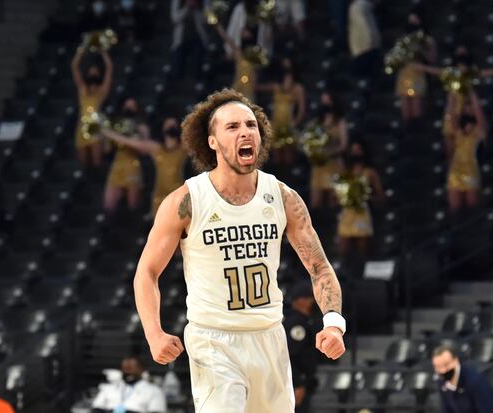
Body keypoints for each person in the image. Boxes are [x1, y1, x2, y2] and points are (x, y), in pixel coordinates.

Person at [133, 88, 346, 413]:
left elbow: (319, 267)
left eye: (251, 125)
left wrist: (333, 322)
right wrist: (154, 333)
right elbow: (146, 272)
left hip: (269, 336)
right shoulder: (186, 201)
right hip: (214, 339)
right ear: (212, 141)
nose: (245, 131)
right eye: (232, 127)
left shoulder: (283, 197)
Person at [101, 117, 188, 216]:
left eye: (173, 124)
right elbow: (131, 142)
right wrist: (109, 133)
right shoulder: (155, 147)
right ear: (162, 128)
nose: (171, 126)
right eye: (168, 124)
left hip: (178, 193)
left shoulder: (183, 148)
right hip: (159, 195)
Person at [337, 141, 384, 261]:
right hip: (347, 212)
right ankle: (344, 273)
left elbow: (381, 196)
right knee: (343, 248)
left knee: (362, 249)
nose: (356, 153)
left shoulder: (370, 172)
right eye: (353, 150)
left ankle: (361, 272)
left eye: (359, 150)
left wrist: (366, 197)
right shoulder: (345, 173)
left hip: (363, 212)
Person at [444, 90, 487, 214]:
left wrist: (473, 95)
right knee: (454, 207)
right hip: (455, 169)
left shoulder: (479, 131)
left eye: (471, 108)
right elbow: (452, 113)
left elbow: (480, 116)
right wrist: (454, 93)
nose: (469, 109)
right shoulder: (457, 130)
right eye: (466, 107)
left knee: (472, 206)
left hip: (471, 169)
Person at [103, 97, 147, 213]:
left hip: (133, 166)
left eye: (132, 106)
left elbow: (144, 150)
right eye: (127, 106)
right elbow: (107, 150)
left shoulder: (142, 127)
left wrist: (126, 138)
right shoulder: (117, 125)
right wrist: (106, 137)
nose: (129, 108)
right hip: (117, 165)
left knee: (133, 206)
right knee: (108, 205)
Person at [258, 59, 306, 166]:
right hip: (276, 123)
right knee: (276, 154)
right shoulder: (276, 86)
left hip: (288, 123)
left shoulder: (298, 88)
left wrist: (296, 122)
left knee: (288, 154)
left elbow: (302, 108)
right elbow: (259, 88)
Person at [431, 344, 493, 413]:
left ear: (456, 360)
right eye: (438, 367)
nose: (443, 370)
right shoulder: (442, 383)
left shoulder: (474, 381)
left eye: (446, 365)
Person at [71, 47, 113, 168]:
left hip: (95, 125)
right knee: (83, 161)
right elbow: (74, 66)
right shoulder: (83, 90)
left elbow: (109, 68)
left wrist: (103, 52)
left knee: (97, 161)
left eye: (96, 73)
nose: (93, 74)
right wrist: (80, 51)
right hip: (81, 126)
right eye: (91, 72)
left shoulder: (101, 91)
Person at [283, 282, 319, 413]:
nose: (312, 301)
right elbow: (290, 355)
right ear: (300, 300)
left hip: (302, 381)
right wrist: (297, 383)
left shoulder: (303, 320)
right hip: (295, 382)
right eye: (308, 298)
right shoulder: (297, 323)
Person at [395, 12, 437, 123]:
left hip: (418, 75)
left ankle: (417, 132)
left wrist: (421, 49)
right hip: (405, 74)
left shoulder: (427, 40)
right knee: (405, 110)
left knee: (417, 109)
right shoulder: (402, 40)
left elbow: (432, 58)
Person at [309, 92, 348, 209]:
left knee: (334, 202)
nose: (325, 104)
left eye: (328, 101)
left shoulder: (340, 122)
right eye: (323, 101)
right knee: (316, 202)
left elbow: (344, 145)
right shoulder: (317, 122)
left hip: (334, 164)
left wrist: (328, 153)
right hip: (319, 166)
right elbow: (309, 139)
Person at [91, 356, 167, 413]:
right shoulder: (109, 388)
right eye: (125, 368)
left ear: (141, 369)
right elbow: (96, 409)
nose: (127, 371)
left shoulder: (154, 391)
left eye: (131, 368)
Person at [215, 23, 261, 102]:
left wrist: (254, 86)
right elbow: (228, 40)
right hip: (237, 89)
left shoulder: (255, 55)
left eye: (245, 32)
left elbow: (255, 74)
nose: (243, 34)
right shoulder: (239, 53)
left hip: (248, 92)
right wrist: (218, 26)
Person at [170, 0, 208, 80]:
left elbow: (207, 19)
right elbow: (175, 18)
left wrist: (195, 7)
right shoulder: (177, 1)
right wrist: (187, 7)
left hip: (198, 39)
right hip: (181, 39)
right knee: (177, 69)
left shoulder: (204, 2)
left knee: (197, 68)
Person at [348, 0, 382, 79]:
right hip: (365, 47)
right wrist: (371, 41)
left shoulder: (363, 7)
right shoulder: (359, 7)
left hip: (364, 47)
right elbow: (364, 27)